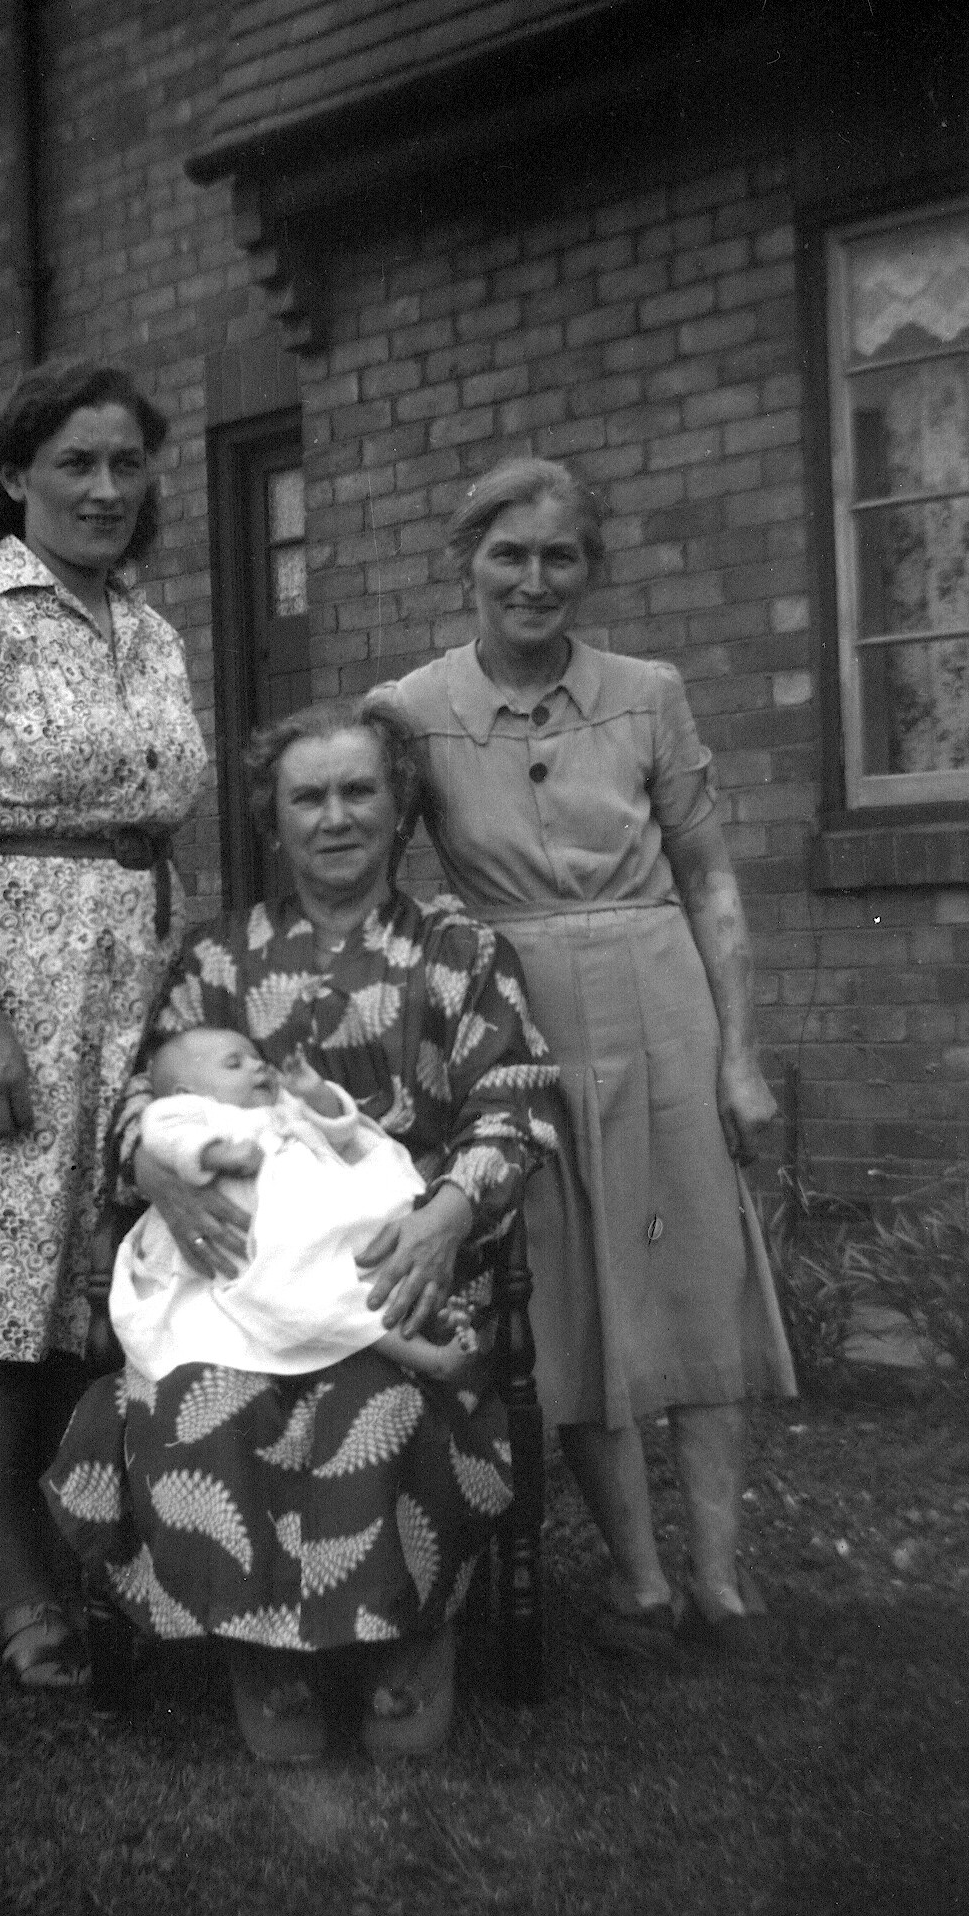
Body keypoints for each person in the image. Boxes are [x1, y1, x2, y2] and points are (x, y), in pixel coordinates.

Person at [44, 697, 565, 1760]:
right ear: (272, 821)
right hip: (238, 1281)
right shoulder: (216, 957)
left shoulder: (460, 951)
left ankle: (403, 1637)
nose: (335, 816)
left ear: (399, 807)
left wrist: (446, 1214)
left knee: (385, 1404)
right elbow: (143, 1100)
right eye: (307, 797)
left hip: (398, 1266)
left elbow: (513, 1104)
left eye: (358, 791)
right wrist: (153, 1161)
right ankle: (264, 1652)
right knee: (200, 1404)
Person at [370, 455, 796, 1657]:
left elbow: (709, 877)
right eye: (507, 553)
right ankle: (638, 1578)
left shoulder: (648, 692)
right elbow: (369, 879)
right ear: (465, 563)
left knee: (696, 1274)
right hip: (521, 1024)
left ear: (590, 569)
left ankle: (719, 1577)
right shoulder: (410, 708)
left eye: (559, 555)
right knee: (571, 1293)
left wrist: (739, 1057)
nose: (533, 578)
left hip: (665, 1004)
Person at [0, 356, 207, 1689]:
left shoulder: (151, 630)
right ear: (15, 474)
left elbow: (160, 811)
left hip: (134, 988)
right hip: (7, 986)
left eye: (125, 462)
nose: (105, 487)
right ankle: (19, 1592)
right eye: (75, 461)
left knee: (102, 1287)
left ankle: (96, 1554)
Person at [110, 1025, 489, 1385]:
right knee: (319, 1296)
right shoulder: (194, 1114)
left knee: (378, 1253)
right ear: (185, 1093)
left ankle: (428, 1314)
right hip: (265, 1242)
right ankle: (428, 1358)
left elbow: (341, 1133)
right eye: (234, 1063)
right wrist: (215, 1154)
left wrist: (316, 1094)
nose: (257, 1065)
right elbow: (162, 1134)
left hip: (325, 1218)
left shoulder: (284, 1107)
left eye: (257, 1058)